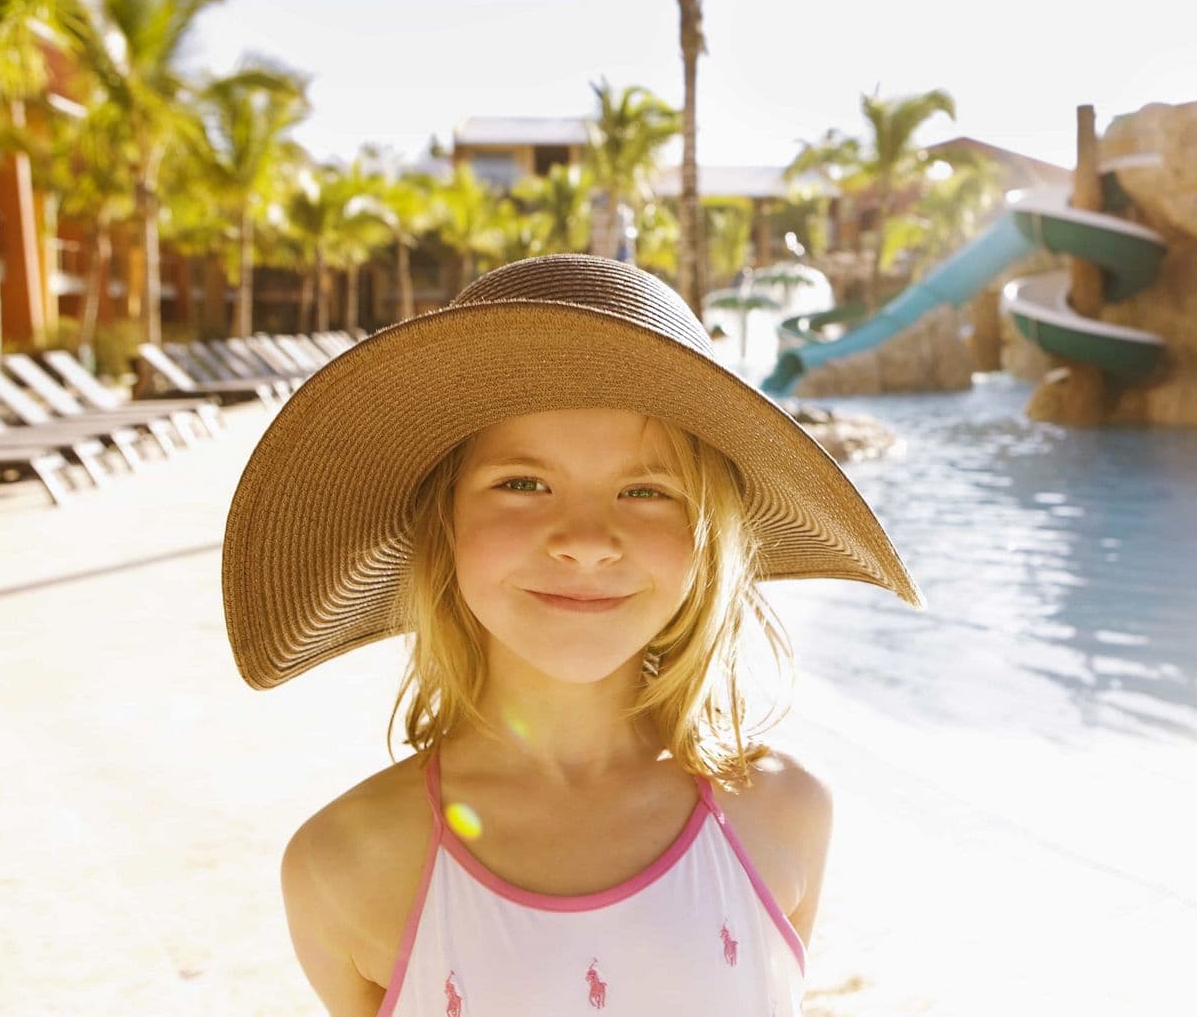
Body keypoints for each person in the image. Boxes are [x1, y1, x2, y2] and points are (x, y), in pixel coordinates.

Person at [221, 254, 920, 1017]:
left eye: (646, 491)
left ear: (707, 540)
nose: (587, 541)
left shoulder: (787, 812)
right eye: (523, 483)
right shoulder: (344, 862)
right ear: (441, 525)